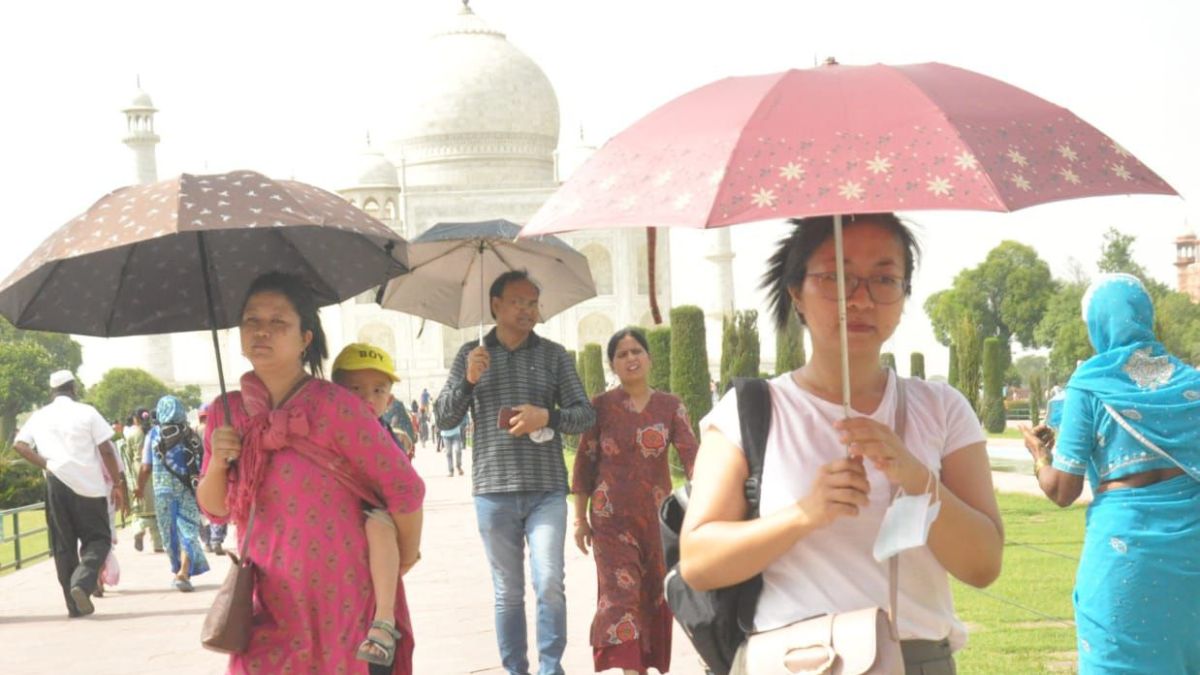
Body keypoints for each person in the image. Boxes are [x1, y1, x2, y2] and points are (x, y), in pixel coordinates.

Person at [679, 214, 1004, 674]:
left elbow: (983, 564)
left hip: (914, 660)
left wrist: (915, 478)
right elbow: (699, 561)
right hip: (798, 661)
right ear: (796, 293)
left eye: (884, 278)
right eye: (836, 277)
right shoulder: (750, 410)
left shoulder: (942, 408)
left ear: (904, 294)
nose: (861, 299)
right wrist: (805, 514)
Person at [197, 271, 425, 674]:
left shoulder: (336, 406)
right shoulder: (226, 413)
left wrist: (401, 558)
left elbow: (405, 488)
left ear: (305, 337)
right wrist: (218, 461)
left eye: (278, 322)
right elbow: (215, 510)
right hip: (266, 598)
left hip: (346, 594)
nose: (262, 331)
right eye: (252, 320)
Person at [1019, 273, 1200, 673]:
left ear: (1097, 324)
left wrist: (1039, 455)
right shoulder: (1192, 385)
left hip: (1126, 552)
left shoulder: (1090, 385)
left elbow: (1063, 490)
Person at [436, 269, 597, 675]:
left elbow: (584, 415)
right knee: (507, 593)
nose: (527, 310)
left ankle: (550, 668)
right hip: (493, 489)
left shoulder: (553, 355)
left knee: (549, 585)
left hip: (545, 488)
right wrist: (469, 381)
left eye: (532, 302)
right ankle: (515, 671)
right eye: (518, 302)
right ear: (495, 305)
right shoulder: (471, 356)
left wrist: (548, 416)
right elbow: (443, 418)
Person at [572, 328, 699, 675]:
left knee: (654, 596)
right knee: (620, 597)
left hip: (657, 520)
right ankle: (630, 670)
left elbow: (693, 460)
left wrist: (707, 504)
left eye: (636, 351)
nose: (630, 358)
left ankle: (645, 665)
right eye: (621, 354)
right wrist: (580, 520)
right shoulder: (599, 407)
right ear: (612, 363)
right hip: (610, 520)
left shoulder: (670, 406)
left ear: (649, 357)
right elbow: (584, 463)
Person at [330, 341, 419, 667]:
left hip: (376, 521)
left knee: (379, 525)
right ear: (334, 393)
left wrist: (409, 550)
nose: (367, 398)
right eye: (355, 389)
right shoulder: (329, 429)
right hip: (337, 534)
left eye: (377, 390)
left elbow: (405, 489)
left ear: (390, 398)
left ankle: (384, 622)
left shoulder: (383, 431)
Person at [12, 370, 128, 617]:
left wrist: (47, 464)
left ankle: (73, 605)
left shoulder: (40, 416)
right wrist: (117, 484)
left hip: (56, 481)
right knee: (98, 539)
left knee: (63, 545)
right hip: (89, 485)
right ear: (73, 388)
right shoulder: (87, 412)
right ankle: (82, 583)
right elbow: (106, 449)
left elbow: (19, 445)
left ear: (52, 391)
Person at [136, 395, 210, 592]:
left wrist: (139, 487)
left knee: (170, 533)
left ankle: (181, 572)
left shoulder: (153, 435)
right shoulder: (190, 433)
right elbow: (202, 465)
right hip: (187, 489)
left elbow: (145, 467)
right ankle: (183, 572)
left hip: (162, 492)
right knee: (188, 530)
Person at [125, 409, 163, 553]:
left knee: (140, 505)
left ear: (136, 419)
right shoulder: (155, 432)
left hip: (138, 470)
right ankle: (158, 544)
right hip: (155, 469)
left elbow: (128, 454)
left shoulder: (132, 434)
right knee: (156, 507)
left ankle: (139, 530)